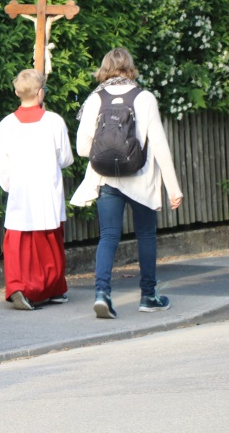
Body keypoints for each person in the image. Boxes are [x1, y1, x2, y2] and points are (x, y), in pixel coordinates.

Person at [71, 48, 183, 319]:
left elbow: (83, 149)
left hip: (107, 178)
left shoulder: (95, 99)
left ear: (105, 68)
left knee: (108, 236)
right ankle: (148, 296)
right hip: (141, 179)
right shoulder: (144, 98)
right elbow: (159, 145)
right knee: (146, 235)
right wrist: (173, 188)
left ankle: (102, 294)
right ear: (130, 68)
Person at [0, 69, 74, 310]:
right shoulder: (55, 121)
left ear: (17, 92)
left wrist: (10, 184)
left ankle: (18, 286)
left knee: (18, 242)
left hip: (20, 191)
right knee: (48, 241)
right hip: (47, 190)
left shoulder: (6, 125)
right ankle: (52, 288)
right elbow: (66, 158)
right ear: (40, 92)